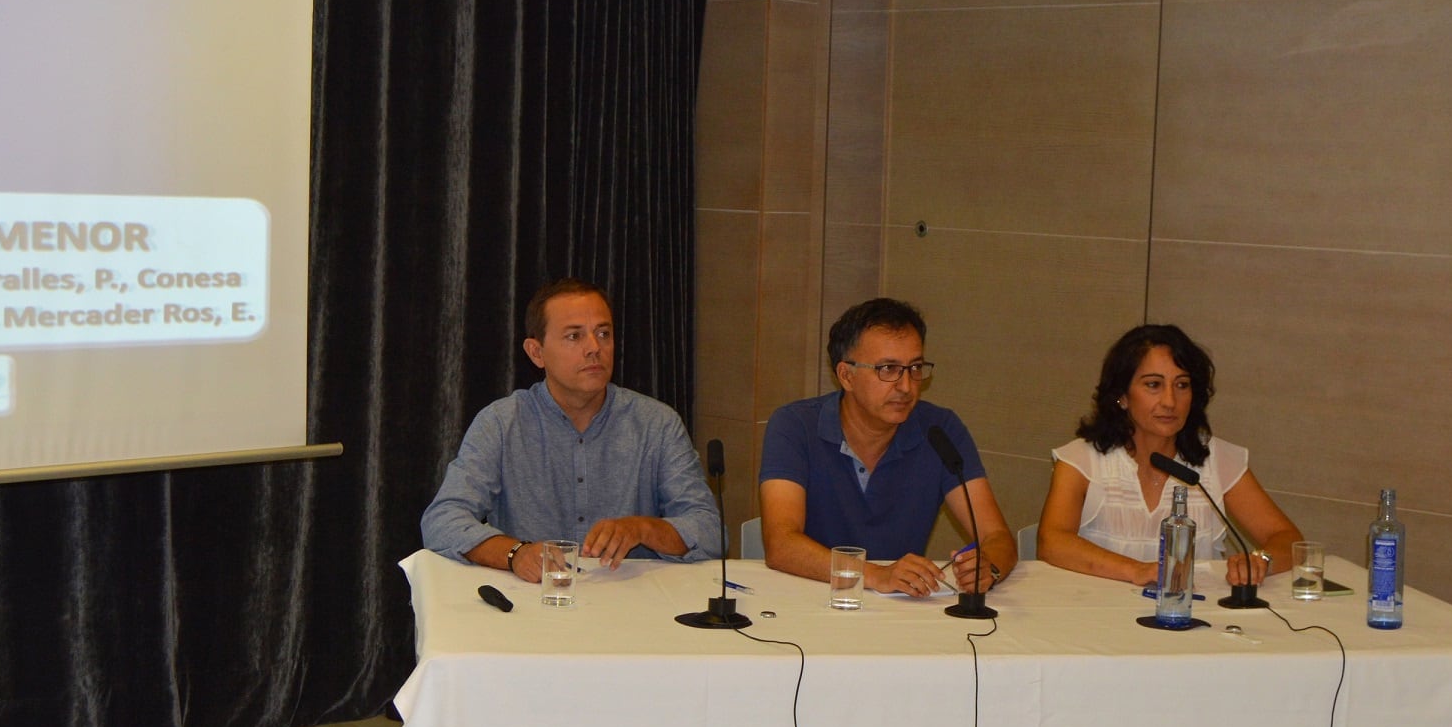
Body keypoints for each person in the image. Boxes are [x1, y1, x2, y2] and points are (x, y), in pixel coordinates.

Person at [422, 279, 719, 581]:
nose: (594, 348)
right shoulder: (501, 423)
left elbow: (709, 532)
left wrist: (641, 528)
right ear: (536, 352)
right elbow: (442, 519)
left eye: (604, 333)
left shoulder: (657, 423)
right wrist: (514, 553)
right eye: (574, 336)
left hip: (629, 605)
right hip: (532, 605)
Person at [759, 297, 1017, 598]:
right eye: (888, 369)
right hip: (811, 599)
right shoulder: (795, 426)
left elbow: (997, 537)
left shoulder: (940, 430)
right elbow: (781, 545)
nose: (906, 386)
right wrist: (875, 575)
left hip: (902, 608)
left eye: (915, 367)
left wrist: (990, 567)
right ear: (846, 375)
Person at [1038, 324, 1301, 589]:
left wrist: (1261, 559)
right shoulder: (1081, 459)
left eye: (1182, 385)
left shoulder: (1218, 459)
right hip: (1095, 616)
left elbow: (1287, 538)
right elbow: (1052, 542)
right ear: (1122, 396)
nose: (1170, 401)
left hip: (1189, 619)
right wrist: (1136, 571)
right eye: (1153, 385)